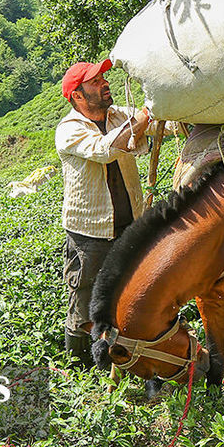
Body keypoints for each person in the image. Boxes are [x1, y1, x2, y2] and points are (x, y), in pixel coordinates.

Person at [55, 58, 155, 366]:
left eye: (103, 78)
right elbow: (104, 150)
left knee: (130, 291)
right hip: (90, 233)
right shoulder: (69, 129)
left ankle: (126, 356)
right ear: (78, 96)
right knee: (84, 298)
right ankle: (80, 365)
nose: (105, 83)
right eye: (95, 82)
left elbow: (143, 137)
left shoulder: (117, 115)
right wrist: (141, 120)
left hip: (129, 224)